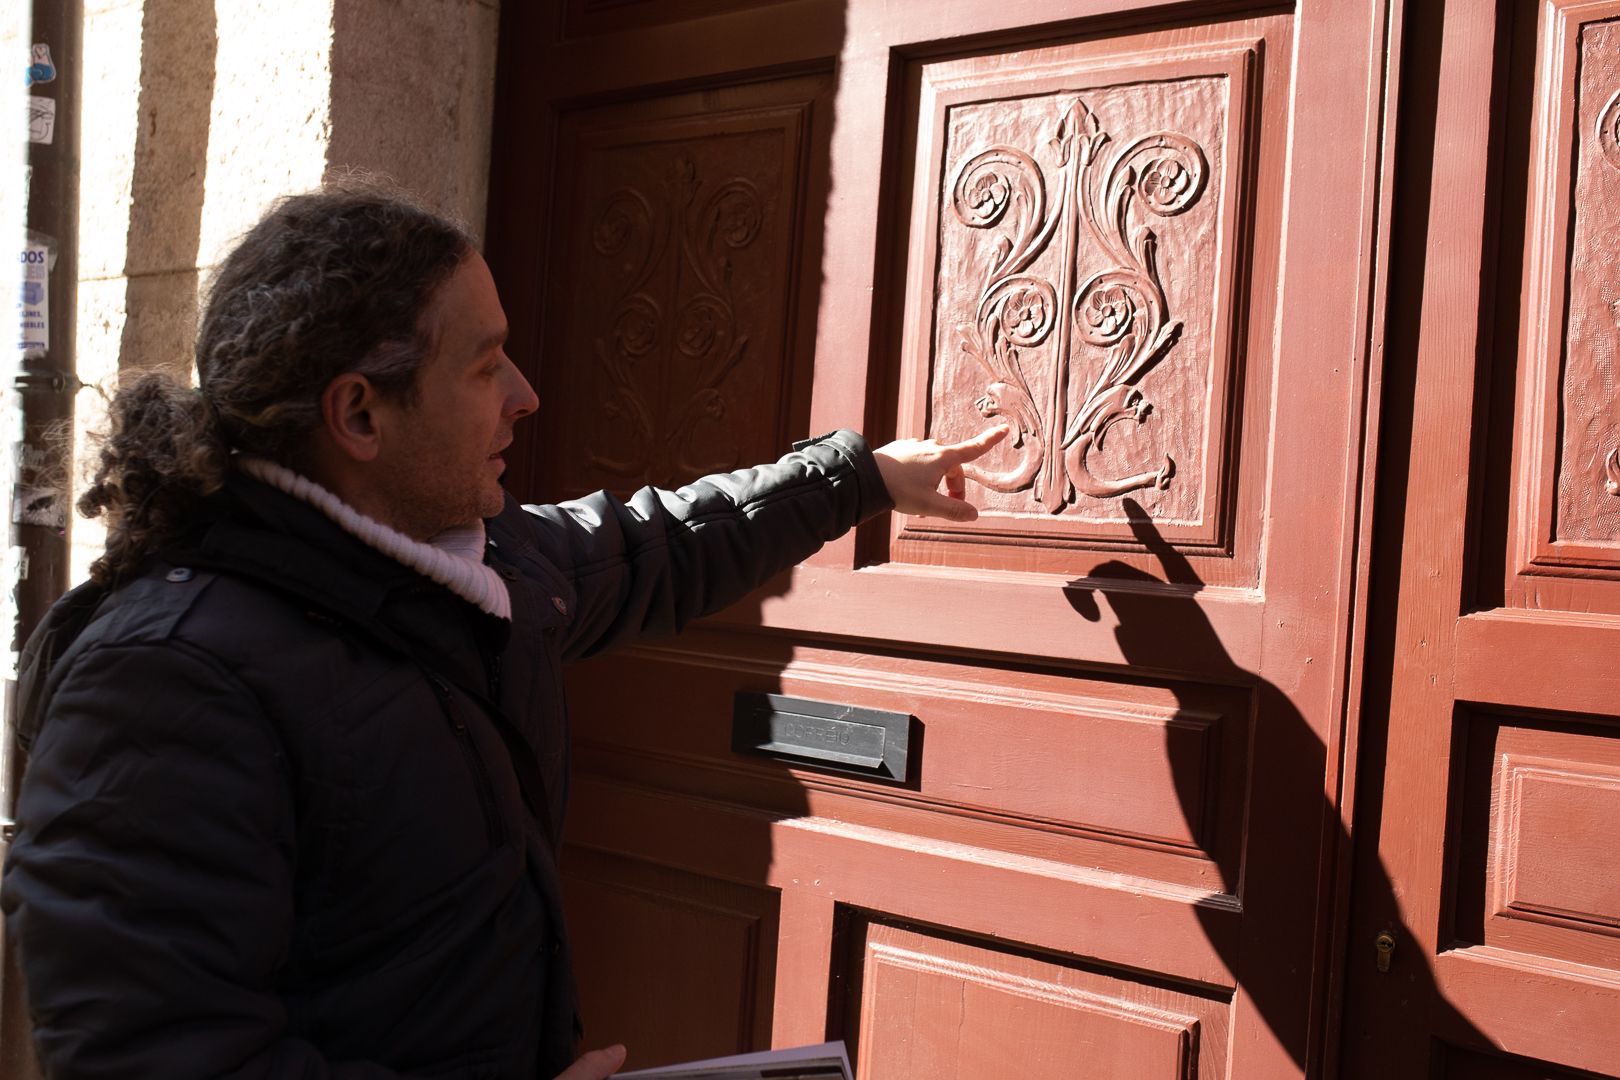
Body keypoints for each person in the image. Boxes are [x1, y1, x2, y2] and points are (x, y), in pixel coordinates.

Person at [0, 183, 1007, 1079]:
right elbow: (162, 1053)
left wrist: (859, 477)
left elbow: (653, 545)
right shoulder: (166, 680)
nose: (527, 396)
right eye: (486, 368)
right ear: (359, 414)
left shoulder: (466, 567)